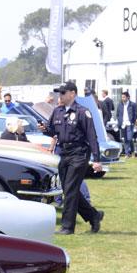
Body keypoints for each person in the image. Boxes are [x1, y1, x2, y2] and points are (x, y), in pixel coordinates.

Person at [38, 81, 104, 235]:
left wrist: (97, 159)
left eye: (62, 92)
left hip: (79, 153)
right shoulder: (58, 111)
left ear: (72, 94)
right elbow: (52, 131)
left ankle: (67, 227)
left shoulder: (82, 112)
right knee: (69, 189)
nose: (59, 95)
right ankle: (94, 216)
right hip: (64, 153)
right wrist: (44, 129)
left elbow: (92, 136)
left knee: (70, 189)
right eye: (59, 93)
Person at [116, 91, 137, 157]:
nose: (122, 98)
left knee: (129, 138)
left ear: (128, 97)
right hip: (123, 124)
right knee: (125, 139)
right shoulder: (120, 104)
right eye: (122, 97)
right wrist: (119, 121)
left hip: (129, 124)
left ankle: (129, 152)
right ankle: (128, 153)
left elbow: (136, 114)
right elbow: (117, 114)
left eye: (124, 97)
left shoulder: (133, 104)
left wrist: (132, 122)